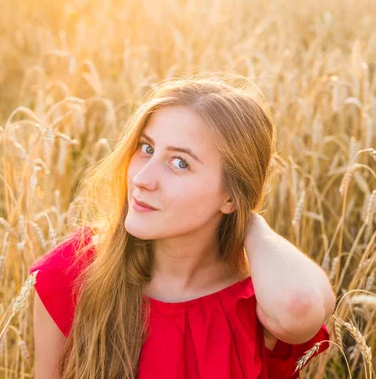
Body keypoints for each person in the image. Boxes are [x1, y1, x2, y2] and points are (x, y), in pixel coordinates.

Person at [31, 74, 336, 379]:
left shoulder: (257, 304)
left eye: (180, 163)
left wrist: (252, 225)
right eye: (146, 148)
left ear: (230, 195)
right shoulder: (72, 274)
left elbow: (298, 308)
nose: (142, 179)